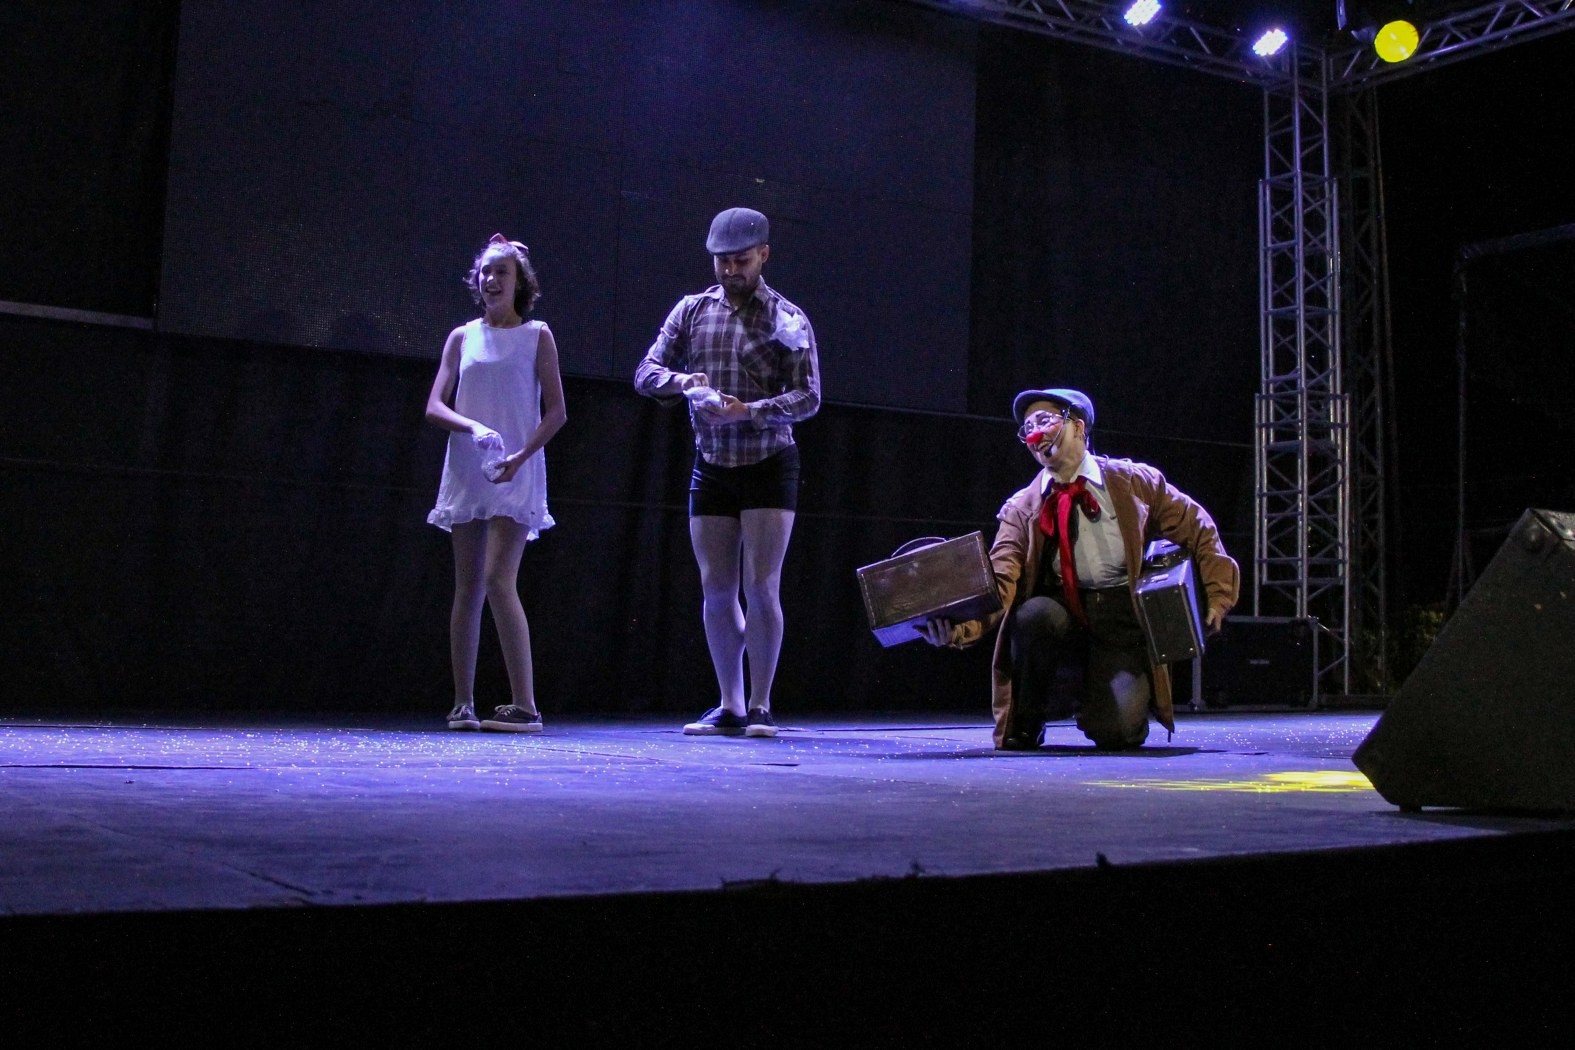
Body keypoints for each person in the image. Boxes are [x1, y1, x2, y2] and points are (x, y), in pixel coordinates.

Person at [920, 388, 1239, 750]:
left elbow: (1199, 528)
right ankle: (1030, 717)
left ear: (1078, 426)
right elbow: (1001, 577)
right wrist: (960, 627)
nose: (1035, 435)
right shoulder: (1022, 507)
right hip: (1061, 615)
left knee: (1118, 734)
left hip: (1120, 621)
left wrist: (1218, 595)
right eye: (1027, 428)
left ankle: (1098, 697)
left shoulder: (1134, 482)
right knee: (1034, 616)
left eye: (1044, 421)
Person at [635, 208, 821, 738]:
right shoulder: (692, 310)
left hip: (768, 461)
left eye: (741, 261)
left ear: (763, 255)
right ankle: (731, 704)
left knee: (761, 585)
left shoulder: (787, 317)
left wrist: (748, 411)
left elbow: (808, 397)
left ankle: (761, 704)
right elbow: (645, 372)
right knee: (716, 588)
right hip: (712, 461)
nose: (730, 270)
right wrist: (683, 382)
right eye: (722, 262)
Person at [426, 234, 566, 732]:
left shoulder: (537, 336)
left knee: (498, 579)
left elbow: (556, 412)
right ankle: (462, 703)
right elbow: (435, 405)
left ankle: (526, 705)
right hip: (469, 465)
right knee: (467, 586)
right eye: (486, 272)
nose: (491, 280)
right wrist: (472, 428)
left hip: (516, 468)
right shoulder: (462, 337)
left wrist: (521, 456)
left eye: (501, 272)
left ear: (518, 282)